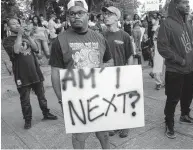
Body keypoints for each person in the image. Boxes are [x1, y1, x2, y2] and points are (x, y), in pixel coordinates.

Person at [49, 0, 114, 149]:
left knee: (103, 134)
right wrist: (61, 101)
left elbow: (109, 61)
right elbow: (55, 73)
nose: (76, 16)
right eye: (72, 13)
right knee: (79, 137)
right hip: (76, 99)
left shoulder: (99, 37)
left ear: (88, 15)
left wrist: (100, 68)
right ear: (68, 16)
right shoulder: (59, 41)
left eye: (80, 13)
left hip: (100, 96)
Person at [3, 18, 57, 130]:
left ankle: (46, 113)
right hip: (21, 75)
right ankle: (27, 120)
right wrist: (19, 36)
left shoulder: (25, 37)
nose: (17, 25)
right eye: (13, 24)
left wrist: (27, 36)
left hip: (35, 71)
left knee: (42, 96)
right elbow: (16, 51)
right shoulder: (7, 41)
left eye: (18, 23)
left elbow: (36, 49)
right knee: (25, 100)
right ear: (8, 28)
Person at [157, 0, 193, 139]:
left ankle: (185, 115)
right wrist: (180, 60)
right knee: (172, 98)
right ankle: (169, 122)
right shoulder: (167, 24)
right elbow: (162, 48)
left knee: (189, 93)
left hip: (191, 69)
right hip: (175, 69)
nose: (188, 5)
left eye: (188, 2)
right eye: (184, 2)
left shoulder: (188, 22)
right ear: (176, 6)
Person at [102, 6, 134, 138]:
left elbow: (130, 56)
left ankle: (125, 126)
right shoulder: (101, 35)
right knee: (109, 100)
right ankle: (113, 125)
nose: (106, 16)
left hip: (121, 74)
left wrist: (129, 73)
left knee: (123, 100)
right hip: (106, 74)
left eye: (110, 14)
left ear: (117, 18)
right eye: (105, 14)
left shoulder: (124, 35)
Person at [151, 15, 165, 90]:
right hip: (158, 50)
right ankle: (158, 83)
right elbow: (155, 38)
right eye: (162, 21)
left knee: (166, 67)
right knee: (157, 66)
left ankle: (165, 82)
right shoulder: (158, 29)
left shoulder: (170, 29)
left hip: (168, 51)